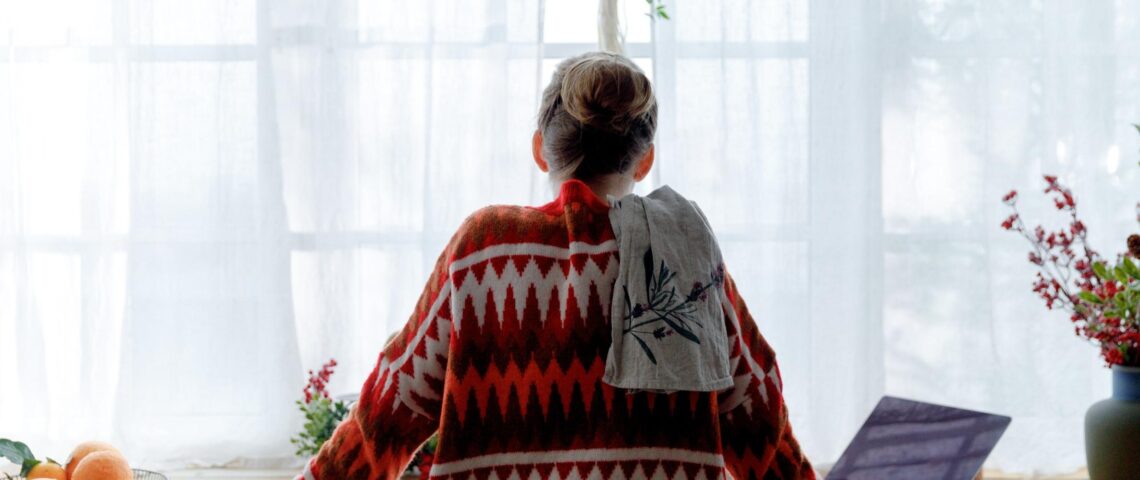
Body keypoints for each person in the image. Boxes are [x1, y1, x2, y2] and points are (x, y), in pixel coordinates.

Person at [297, 51, 814, 480]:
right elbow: (757, 412)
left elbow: (388, 410)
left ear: (541, 151)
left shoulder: (483, 247)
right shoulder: (685, 248)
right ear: (645, 159)